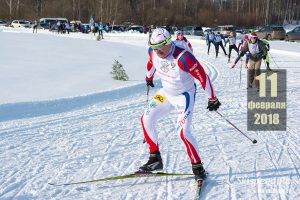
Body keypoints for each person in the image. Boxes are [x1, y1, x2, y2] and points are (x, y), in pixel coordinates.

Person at [140, 28, 221, 183]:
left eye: (160, 47)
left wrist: (212, 98)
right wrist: (149, 77)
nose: (157, 51)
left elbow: (203, 77)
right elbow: (151, 63)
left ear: (168, 42)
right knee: (146, 119)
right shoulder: (153, 52)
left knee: (183, 133)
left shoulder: (184, 58)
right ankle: (155, 159)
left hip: (184, 96)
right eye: (154, 47)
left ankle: (198, 168)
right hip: (166, 93)